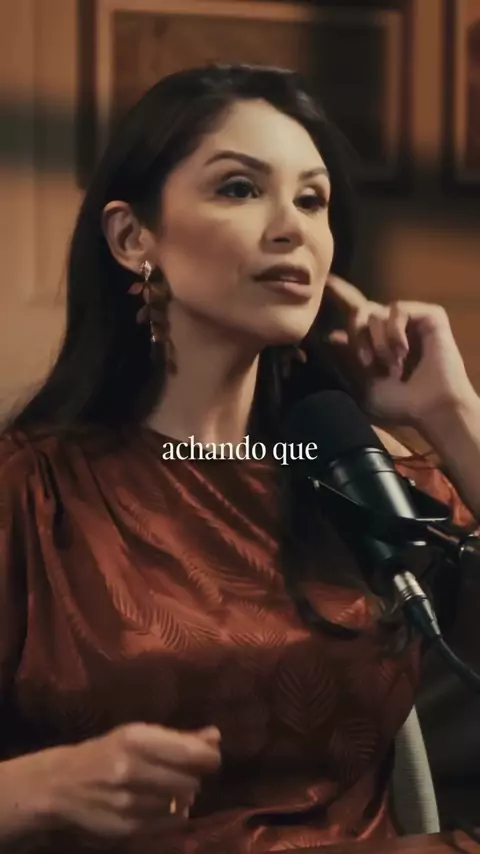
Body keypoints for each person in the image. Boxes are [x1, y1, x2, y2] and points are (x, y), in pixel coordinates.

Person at [1, 63, 480, 854]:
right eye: (239, 189)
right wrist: (35, 788)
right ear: (132, 238)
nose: (292, 227)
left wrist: (452, 414)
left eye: (312, 200)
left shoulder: (348, 472)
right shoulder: (34, 491)